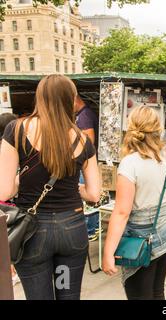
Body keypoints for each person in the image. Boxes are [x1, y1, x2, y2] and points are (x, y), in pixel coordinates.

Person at [0, 74, 101, 300]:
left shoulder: (16, 130)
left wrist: (23, 180)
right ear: (70, 99)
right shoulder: (82, 139)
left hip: (32, 234)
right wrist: (74, 189)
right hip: (72, 232)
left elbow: (4, 191)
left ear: (40, 97)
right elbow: (94, 194)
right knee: (67, 295)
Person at [102, 106, 166, 300]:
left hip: (140, 239)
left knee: (140, 295)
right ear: (158, 128)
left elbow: (122, 212)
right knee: (157, 291)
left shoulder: (130, 163)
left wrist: (108, 251)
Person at [74, 94, 100, 241]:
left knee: (88, 194)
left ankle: (90, 229)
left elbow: (89, 140)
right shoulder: (85, 114)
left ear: (75, 100)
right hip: (87, 162)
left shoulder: (84, 116)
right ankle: (93, 227)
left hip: (85, 163)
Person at [0, 113, 20, 287]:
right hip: (13, 204)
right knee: (11, 240)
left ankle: (11, 271)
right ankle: (12, 271)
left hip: (5, 204)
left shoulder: (5, 148)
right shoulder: (16, 149)